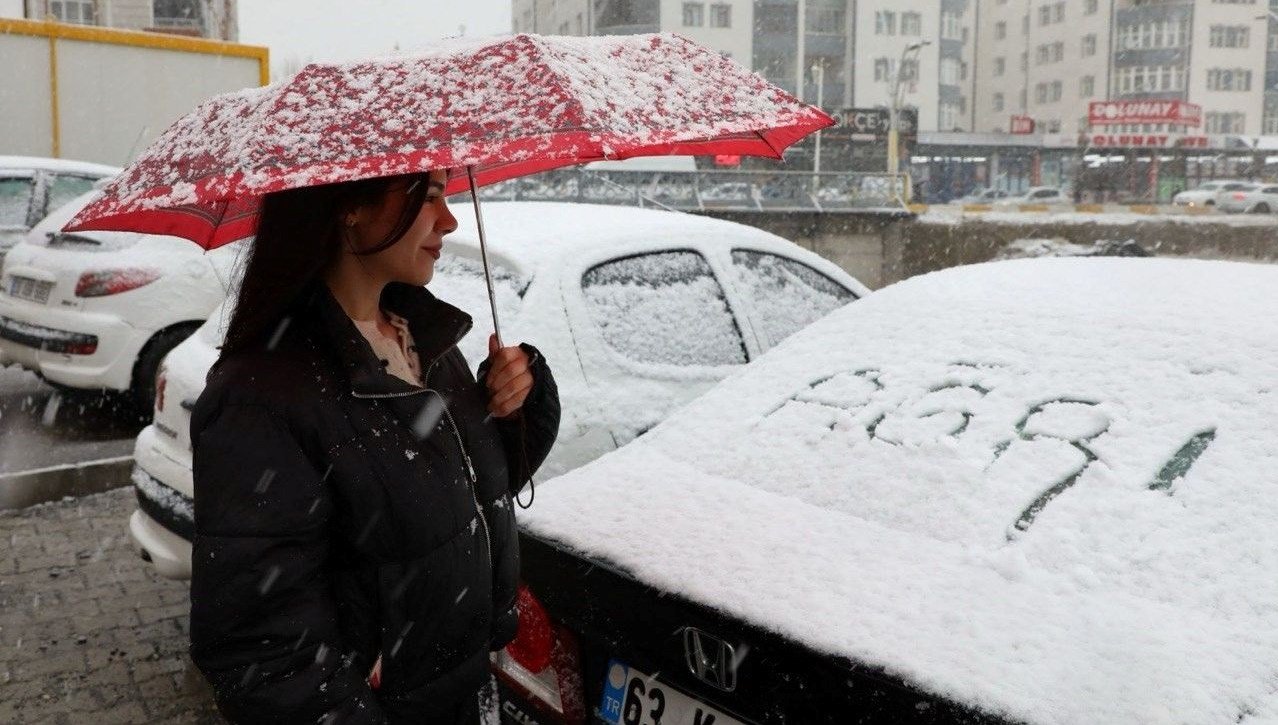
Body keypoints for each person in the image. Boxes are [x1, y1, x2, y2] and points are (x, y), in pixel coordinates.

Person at [188, 169, 560, 724]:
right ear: (350, 207)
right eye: (428, 197)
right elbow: (263, 649)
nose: (450, 219)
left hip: (466, 696)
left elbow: (467, 499)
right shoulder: (262, 395)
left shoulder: (419, 338)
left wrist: (519, 402)